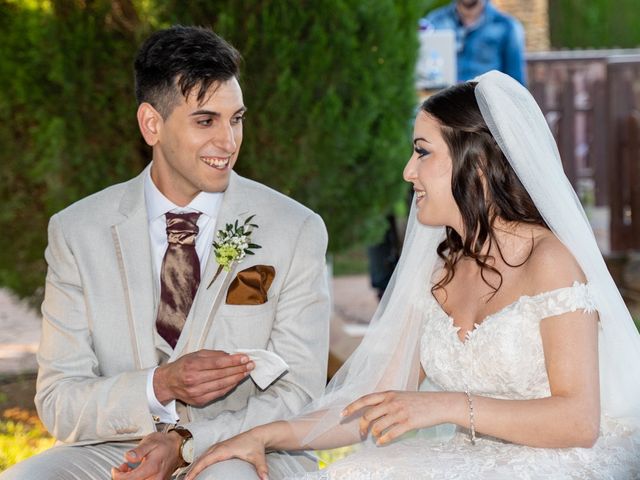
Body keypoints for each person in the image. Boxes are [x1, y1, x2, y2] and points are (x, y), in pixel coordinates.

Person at [183, 71, 640, 480]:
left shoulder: (550, 260)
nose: (408, 172)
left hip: (562, 464)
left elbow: (579, 421)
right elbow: (373, 399)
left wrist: (446, 405)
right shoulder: (440, 271)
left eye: (423, 153)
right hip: (474, 462)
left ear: (476, 165)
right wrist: (265, 435)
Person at [0, 26, 330, 480]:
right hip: (115, 448)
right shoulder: (77, 232)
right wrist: (159, 386)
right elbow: (59, 401)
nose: (229, 142)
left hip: (247, 446)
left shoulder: (295, 229)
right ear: (151, 124)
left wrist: (187, 443)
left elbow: (300, 390)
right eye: (206, 120)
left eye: (236, 119)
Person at [421, 0, 527, 85]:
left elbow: (515, 85)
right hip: (444, 105)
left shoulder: (507, 27)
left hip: (484, 107)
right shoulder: (434, 22)